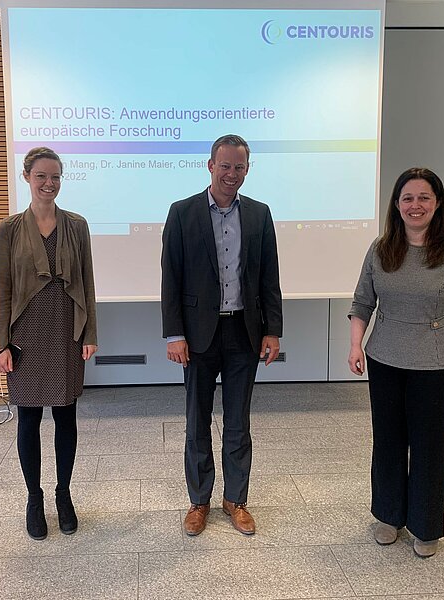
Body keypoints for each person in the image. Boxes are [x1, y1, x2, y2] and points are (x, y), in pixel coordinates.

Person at [347, 167, 444, 558]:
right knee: (388, 441)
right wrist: (356, 345)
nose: (415, 205)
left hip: (438, 363)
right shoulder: (381, 248)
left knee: (431, 446)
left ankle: (425, 525)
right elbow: (362, 302)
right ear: (396, 204)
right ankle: (388, 516)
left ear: (437, 203)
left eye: (424, 197)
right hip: (385, 358)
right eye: (407, 198)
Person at [161, 134, 283, 537]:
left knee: (238, 422)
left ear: (248, 170)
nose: (232, 174)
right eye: (225, 166)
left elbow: (269, 278)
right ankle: (199, 501)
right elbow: (171, 279)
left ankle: (236, 500)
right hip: (197, 336)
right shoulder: (182, 212)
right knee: (196, 421)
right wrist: (174, 334)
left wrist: (273, 331)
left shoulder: (260, 214)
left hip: (244, 332)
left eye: (240, 167)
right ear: (210, 165)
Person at [0, 146, 97, 541]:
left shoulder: (77, 225)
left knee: (66, 416)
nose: (49, 183)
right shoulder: (10, 229)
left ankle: (63, 495)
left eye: (55, 177)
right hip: (25, 335)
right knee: (30, 419)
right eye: (41, 176)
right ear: (27, 178)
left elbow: (87, 282)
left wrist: (91, 334)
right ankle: (34, 498)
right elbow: (1, 288)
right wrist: (1, 344)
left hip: (67, 329)